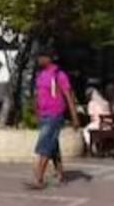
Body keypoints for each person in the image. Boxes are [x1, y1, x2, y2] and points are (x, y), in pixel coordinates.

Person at [28, 48, 80, 189]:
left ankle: (39, 178)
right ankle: (60, 173)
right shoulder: (40, 75)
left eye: (41, 57)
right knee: (53, 145)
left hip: (55, 113)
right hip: (44, 114)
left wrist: (74, 117)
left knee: (45, 145)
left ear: (48, 58)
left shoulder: (59, 75)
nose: (38, 60)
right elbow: (38, 94)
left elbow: (68, 95)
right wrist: (36, 111)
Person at [82, 82, 112, 153]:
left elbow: (91, 118)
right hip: (109, 125)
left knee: (86, 130)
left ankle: (91, 147)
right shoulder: (105, 102)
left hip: (99, 125)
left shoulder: (91, 103)